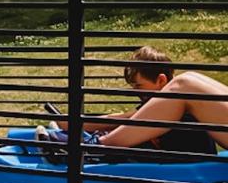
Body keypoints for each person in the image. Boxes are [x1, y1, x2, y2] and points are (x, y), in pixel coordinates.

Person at [40, 47, 227, 153]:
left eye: (139, 86)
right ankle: (96, 143)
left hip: (189, 160)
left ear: (161, 80)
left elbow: (124, 119)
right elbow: (125, 118)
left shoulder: (176, 106)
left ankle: (95, 147)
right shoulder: (168, 107)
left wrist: (77, 124)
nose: (136, 92)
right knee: (189, 79)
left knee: (186, 83)